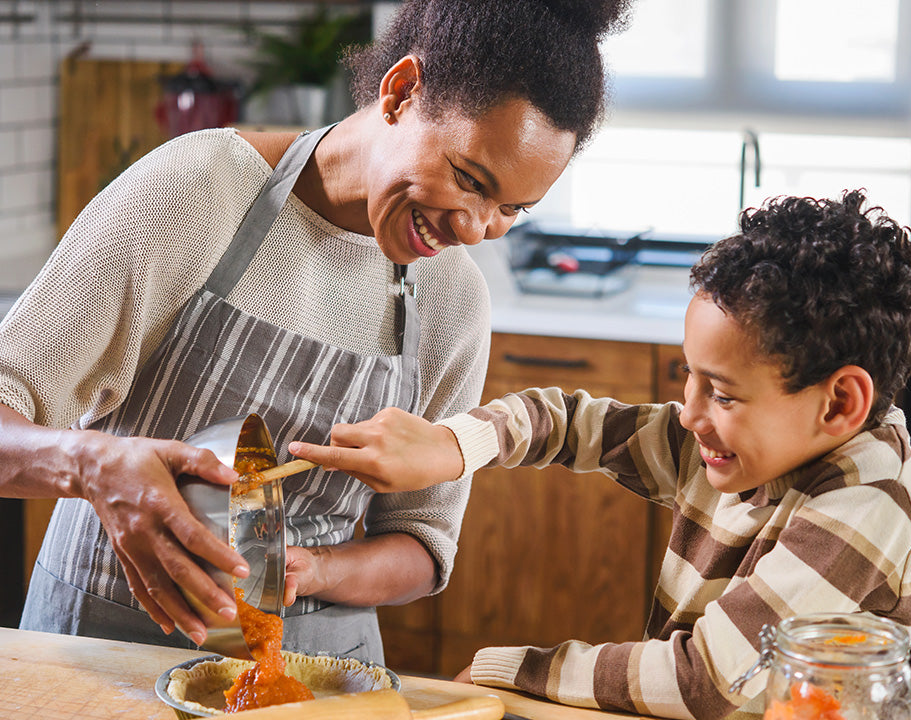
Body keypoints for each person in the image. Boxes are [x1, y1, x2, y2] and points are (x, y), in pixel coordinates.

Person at [0, 0, 631, 664]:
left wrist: (313, 570)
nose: (475, 229)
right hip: (102, 649)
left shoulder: (453, 299)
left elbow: (422, 544)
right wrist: (91, 464)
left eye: (512, 209)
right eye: (470, 180)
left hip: (320, 669)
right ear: (401, 92)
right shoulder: (199, 190)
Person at [289, 190, 911, 717]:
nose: (689, 414)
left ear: (839, 403)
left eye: (721, 393)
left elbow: (704, 680)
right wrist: (453, 446)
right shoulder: (743, 445)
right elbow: (569, 422)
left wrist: (511, 669)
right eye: (689, 377)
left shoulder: (867, 498)